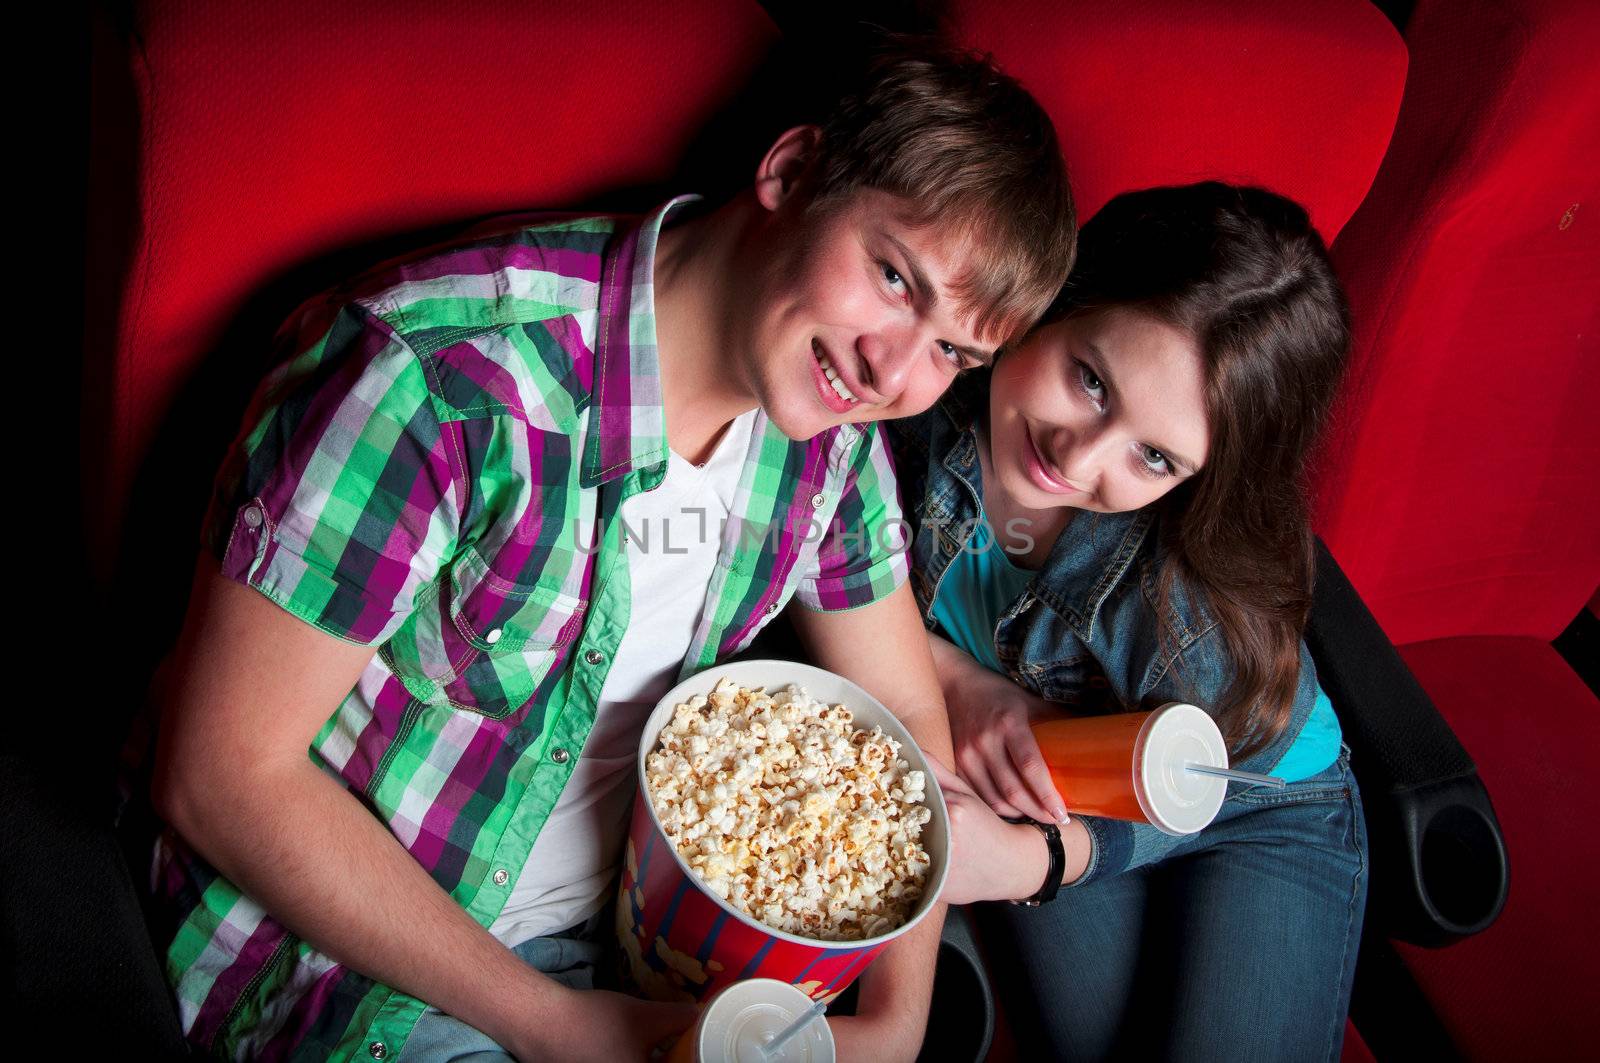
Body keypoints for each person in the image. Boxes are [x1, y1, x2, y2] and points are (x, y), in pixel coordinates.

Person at [143, 39, 1076, 1062]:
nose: (893, 369)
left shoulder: (832, 449)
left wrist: (893, 1026)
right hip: (350, 977)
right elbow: (222, 772)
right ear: (791, 171)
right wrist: (555, 1026)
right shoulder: (438, 376)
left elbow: (902, 722)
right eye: (893, 276)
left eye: (952, 350)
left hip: (640, 948)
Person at [887, 182, 1366, 1061]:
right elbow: (807, 572)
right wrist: (958, 681)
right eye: (1091, 379)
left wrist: (1030, 866)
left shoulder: (1184, 606)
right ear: (1058, 299)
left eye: (1155, 455)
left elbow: (1199, 780)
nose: (1077, 457)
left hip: (1250, 799)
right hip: (1079, 773)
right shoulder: (917, 388)